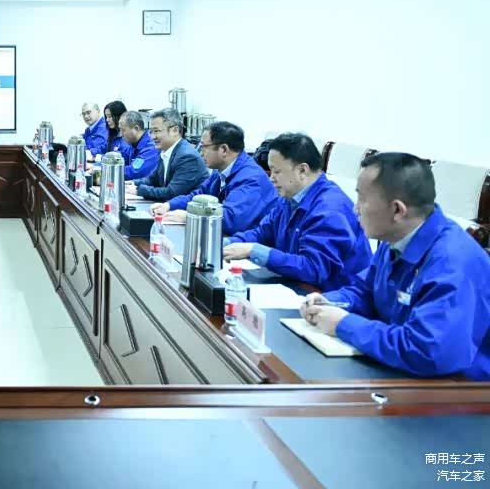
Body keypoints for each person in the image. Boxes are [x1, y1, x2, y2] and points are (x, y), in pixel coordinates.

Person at [301, 153, 490, 379]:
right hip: (403, 369)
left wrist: (343, 324)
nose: (355, 209)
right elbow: (366, 291)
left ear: (397, 210)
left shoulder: (451, 262)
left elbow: (427, 351)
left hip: (460, 387)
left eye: (362, 199)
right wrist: (331, 301)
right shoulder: (394, 237)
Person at [223, 132, 371, 291]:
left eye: (276, 171)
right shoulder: (289, 198)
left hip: (331, 296)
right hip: (297, 284)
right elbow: (262, 233)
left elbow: (314, 268)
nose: (271, 178)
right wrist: (227, 244)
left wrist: (254, 251)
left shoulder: (330, 209)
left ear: (302, 170)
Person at [150, 121, 278, 235]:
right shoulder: (220, 171)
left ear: (223, 150)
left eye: (204, 147)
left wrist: (189, 216)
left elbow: (231, 220)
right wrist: (168, 205)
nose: (200, 153)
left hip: (247, 244)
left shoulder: (251, 178)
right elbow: (198, 196)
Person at [129, 108, 208, 202]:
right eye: (151, 132)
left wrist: (138, 190)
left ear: (175, 130)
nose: (152, 137)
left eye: (156, 131)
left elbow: (172, 193)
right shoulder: (165, 151)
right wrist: (131, 183)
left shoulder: (187, 157)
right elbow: (152, 180)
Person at [116, 111, 159, 181]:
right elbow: (120, 156)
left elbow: (134, 172)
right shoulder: (134, 144)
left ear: (136, 128)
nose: (121, 134)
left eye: (123, 130)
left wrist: (109, 170)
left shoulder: (151, 148)